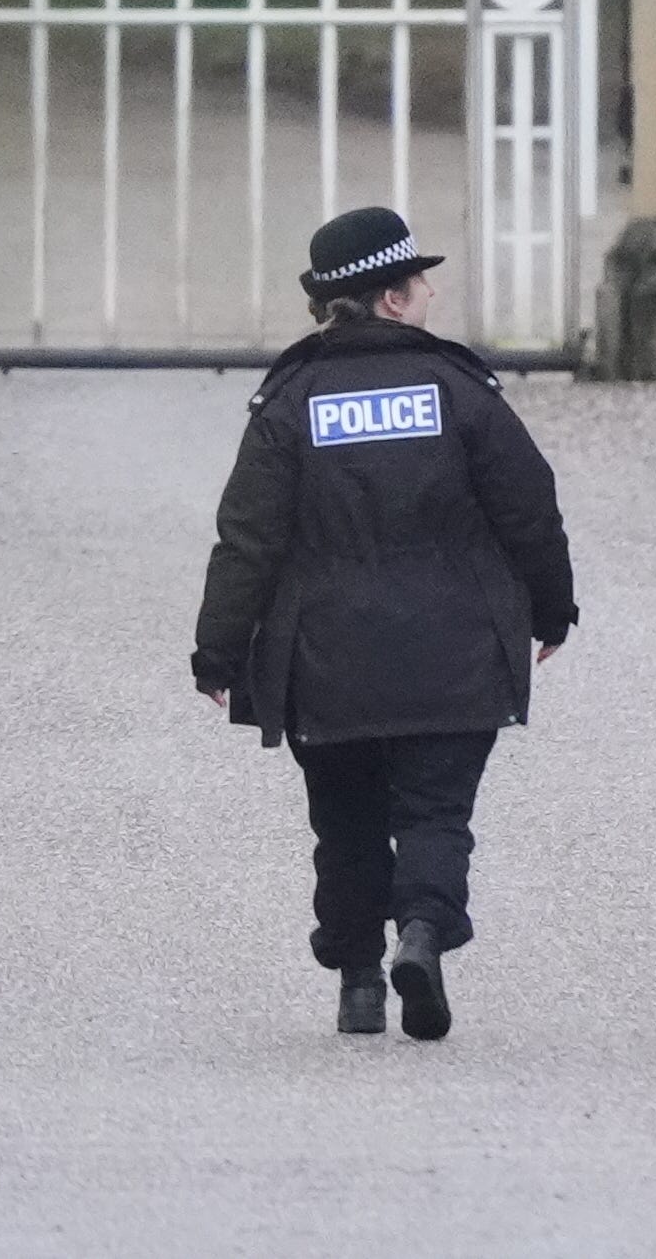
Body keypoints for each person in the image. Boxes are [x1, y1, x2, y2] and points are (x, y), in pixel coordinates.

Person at [191, 203, 580, 1043]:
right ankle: (424, 931)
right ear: (393, 300)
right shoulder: (460, 391)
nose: (433, 290)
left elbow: (248, 538)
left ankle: (360, 979)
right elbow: (529, 507)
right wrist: (553, 607)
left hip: (326, 661)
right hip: (455, 652)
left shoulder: (289, 402)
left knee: (346, 820)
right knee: (437, 813)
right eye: (421, 279)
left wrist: (217, 650)